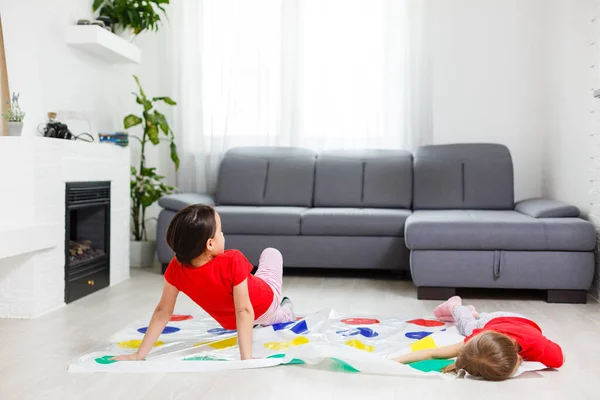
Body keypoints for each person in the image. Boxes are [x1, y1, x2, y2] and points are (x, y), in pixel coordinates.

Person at [113, 204, 294, 361]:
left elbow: (163, 311)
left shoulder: (176, 267)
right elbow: (244, 310)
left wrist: (139, 355)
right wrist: (246, 358)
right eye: (221, 232)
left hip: (231, 322)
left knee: (253, 292)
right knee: (271, 253)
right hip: (265, 304)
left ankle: (272, 315)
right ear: (210, 244)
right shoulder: (233, 259)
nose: (224, 235)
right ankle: (285, 312)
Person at [393, 296, 564, 381]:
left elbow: (560, 359)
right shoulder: (476, 341)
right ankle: (463, 309)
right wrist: (393, 361)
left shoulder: (537, 344)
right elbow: (432, 353)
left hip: (514, 320)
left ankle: (464, 309)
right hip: (493, 322)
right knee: (471, 327)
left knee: (471, 325)